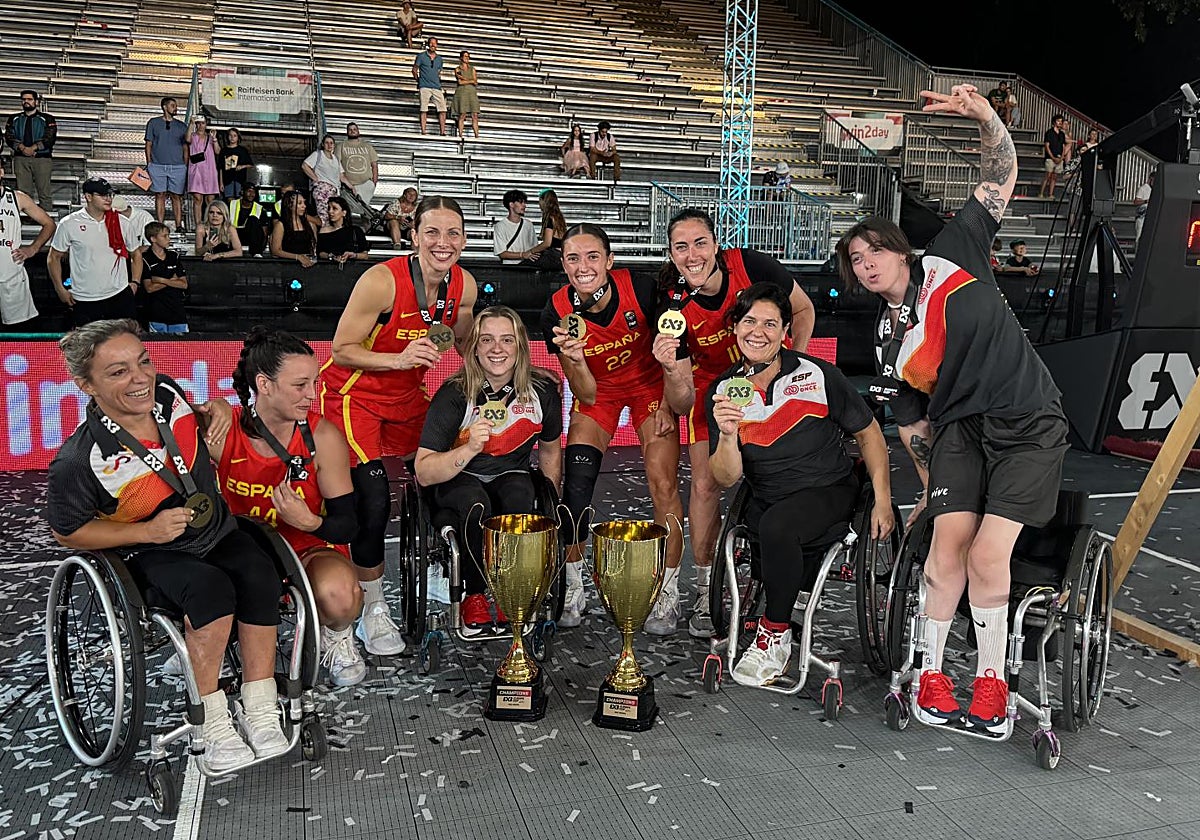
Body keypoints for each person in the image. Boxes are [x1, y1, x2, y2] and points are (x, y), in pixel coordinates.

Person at [836, 83, 1068, 734]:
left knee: (989, 558)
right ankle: (932, 676)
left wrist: (987, 117)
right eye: (856, 260)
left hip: (1027, 420)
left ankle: (992, 685)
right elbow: (912, 423)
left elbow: (1002, 172)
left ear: (899, 250)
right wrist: (932, 489)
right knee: (946, 547)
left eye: (875, 249)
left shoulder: (952, 253)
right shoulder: (887, 341)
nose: (867, 261)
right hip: (960, 433)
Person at [45, 319, 289, 772]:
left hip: (213, 532)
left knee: (261, 575)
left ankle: (259, 707)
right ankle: (210, 721)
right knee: (210, 593)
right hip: (152, 553)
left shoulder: (166, 394)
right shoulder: (80, 461)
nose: (140, 378)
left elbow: (186, 421)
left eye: (143, 362)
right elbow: (68, 533)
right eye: (118, 372)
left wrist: (211, 408)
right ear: (85, 384)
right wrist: (146, 532)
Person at [706, 283, 893, 686]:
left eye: (770, 323)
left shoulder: (817, 374)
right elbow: (725, 478)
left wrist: (882, 500)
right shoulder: (723, 391)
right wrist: (726, 434)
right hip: (766, 495)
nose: (758, 331)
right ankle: (782, 601)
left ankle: (776, 634)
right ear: (734, 327)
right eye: (749, 321)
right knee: (770, 521)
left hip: (827, 489)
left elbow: (870, 435)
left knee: (778, 525)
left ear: (785, 330)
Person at [320, 196, 478, 656]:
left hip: (406, 397)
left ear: (464, 240)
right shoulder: (381, 282)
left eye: (453, 233)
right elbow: (341, 349)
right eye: (432, 232)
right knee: (372, 495)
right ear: (414, 236)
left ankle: (434, 564)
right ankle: (372, 611)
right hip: (354, 395)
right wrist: (399, 358)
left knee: (443, 469)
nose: (442, 242)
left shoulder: (463, 287)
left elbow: (467, 344)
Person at [655, 208, 815, 636]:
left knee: (789, 473)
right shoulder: (670, 298)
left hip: (767, 377)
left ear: (716, 244)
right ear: (670, 253)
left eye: (700, 243)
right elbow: (683, 393)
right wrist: (670, 373)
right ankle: (707, 591)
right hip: (713, 390)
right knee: (706, 483)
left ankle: (792, 578)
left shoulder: (753, 265)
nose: (692, 255)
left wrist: (788, 366)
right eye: (680, 246)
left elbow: (802, 309)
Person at [540, 223, 687, 633]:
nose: (583, 266)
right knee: (577, 487)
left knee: (663, 484)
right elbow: (584, 392)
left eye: (591, 257)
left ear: (609, 260)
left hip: (649, 388)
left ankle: (668, 591)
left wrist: (667, 401)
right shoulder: (556, 311)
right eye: (572, 258)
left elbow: (670, 346)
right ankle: (573, 588)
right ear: (563, 264)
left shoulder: (640, 289)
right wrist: (574, 358)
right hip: (598, 394)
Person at [214, 328, 366, 686]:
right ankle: (210, 643)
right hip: (241, 549)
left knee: (340, 594)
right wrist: (215, 406)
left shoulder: (323, 437)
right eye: (300, 385)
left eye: (314, 382)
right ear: (264, 385)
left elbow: (347, 525)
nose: (312, 395)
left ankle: (337, 636)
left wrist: (310, 521)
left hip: (305, 547)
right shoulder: (222, 432)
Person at [415, 306, 563, 629]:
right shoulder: (454, 395)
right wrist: (468, 448)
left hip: (510, 474)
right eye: (487, 340)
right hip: (458, 479)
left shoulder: (542, 394)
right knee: (474, 502)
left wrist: (552, 508)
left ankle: (513, 589)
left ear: (521, 346)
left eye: (507, 340)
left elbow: (551, 453)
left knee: (521, 493)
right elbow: (424, 471)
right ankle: (475, 595)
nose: (497, 349)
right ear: (474, 347)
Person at [47, 178, 144, 326]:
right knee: (87, 346)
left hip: (119, 295)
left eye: (110, 195)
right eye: (103, 195)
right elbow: (53, 257)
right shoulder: (69, 223)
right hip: (84, 299)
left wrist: (135, 282)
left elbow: (136, 253)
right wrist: (60, 289)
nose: (108, 199)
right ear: (88, 197)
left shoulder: (122, 222)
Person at [0, 157, 54, 327]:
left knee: (15, 338)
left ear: (1, 172)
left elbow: (49, 224)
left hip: (11, 276)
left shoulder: (17, 198)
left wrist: (33, 248)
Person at [4, 90, 57, 213]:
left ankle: (46, 220)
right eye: (24, 99)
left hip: (42, 158)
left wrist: (33, 148)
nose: (26, 102)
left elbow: (50, 137)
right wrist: (23, 148)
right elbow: (9, 137)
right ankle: (25, 219)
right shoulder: (14, 118)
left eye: (29, 99)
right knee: (23, 192)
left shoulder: (47, 118)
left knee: (44, 192)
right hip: (20, 159)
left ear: (36, 102)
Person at [144, 97, 187, 229]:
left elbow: (186, 146)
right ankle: (160, 223)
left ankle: (179, 224)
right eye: (173, 105)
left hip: (178, 166)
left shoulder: (181, 126)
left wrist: (185, 164)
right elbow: (148, 144)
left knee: (176, 196)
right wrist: (149, 163)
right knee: (160, 194)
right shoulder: (153, 123)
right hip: (157, 165)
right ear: (164, 107)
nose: (176, 108)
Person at [141, 222, 189, 334]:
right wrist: (172, 281)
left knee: (181, 349)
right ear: (153, 239)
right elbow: (149, 288)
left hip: (177, 311)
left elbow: (183, 284)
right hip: (156, 313)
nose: (168, 239)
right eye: (164, 236)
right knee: (158, 349)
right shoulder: (145, 259)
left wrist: (161, 280)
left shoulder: (174, 256)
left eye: (169, 235)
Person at [303, 134, 353, 226]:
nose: (329, 145)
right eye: (327, 143)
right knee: (324, 218)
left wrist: (351, 187)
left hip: (334, 191)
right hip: (323, 190)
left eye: (331, 143)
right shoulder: (318, 155)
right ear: (323, 144)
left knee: (332, 218)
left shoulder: (336, 159)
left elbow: (341, 176)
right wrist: (316, 179)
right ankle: (303, 218)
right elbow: (305, 165)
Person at [186, 115, 221, 233]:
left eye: (203, 123)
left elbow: (217, 151)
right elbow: (187, 139)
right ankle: (198, 225)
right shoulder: (193, 136)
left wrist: (215, 139)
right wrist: (191, 124)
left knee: (210, 199)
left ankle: (211, 224)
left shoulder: (210, 137)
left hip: (209, 170)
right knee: (197, 198)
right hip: (196, 169)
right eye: (198, 123)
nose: (200, 126)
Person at [270, 190, 318, 268]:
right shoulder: (281, 225)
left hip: (308, 266)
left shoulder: (310, 224)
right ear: (290, 205)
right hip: (289, 267)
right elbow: (275, 251)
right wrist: (298, 257)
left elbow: (314, 247)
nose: (304, 206)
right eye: (300, 203)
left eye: (304, 202)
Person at [337, 122, 380, 206]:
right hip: (348, 186)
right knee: (347, 210)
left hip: (366, 184)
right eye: (350, 130)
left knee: (365, 211)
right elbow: (336, 164)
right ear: (347, 132)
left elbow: (374, 166)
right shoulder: (340, 146)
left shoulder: (367, 147)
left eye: (354, 129)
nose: (352, 131)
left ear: (358, 131)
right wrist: (344, 182)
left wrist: (373, 183)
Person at [317, 196, 370, 264]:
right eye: (329, 208)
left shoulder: (356, 231)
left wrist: (353, 255)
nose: (330, 211)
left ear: (344, 213)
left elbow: (365, 255)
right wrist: (331, 256)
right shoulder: (323, 231)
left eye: (334, 209)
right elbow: (320, 253)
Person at [492, 189, 539, 265]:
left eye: (524, 202)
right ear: (511, 204)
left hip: (528, 266)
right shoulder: (500, 226)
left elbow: (535, 247)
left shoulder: (528, 224)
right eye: (521, 202)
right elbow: (502, 253)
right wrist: (523, 255)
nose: (524, 205)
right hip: (510, 268)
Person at [413, 38, 447, 136]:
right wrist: (419, 81)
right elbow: (414, 70)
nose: (433, 45)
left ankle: (442, 132)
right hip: (424, 86)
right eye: (431, 43)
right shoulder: (421, 56)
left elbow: (438, 72)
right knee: (424, 109)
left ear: (437, 45)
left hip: (436, 86)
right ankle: (423, 131)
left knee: (443, 109)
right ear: (428, 44)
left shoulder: (440, 59)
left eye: (434, 43)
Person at [528, 189, 566, 268]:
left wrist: (531, 251)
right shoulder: (559, 217)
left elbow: (547, 243)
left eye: (539, 201)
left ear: (543, 201)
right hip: (560, 255)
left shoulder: (549, 218)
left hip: (552, 256)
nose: (539, 204)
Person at [230, 183, 266, 256]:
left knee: (253, 219)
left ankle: (256, 253)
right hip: (233, 235)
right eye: (249, 191)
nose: (251, 194)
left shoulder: (260, 208)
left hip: (250, 237)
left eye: (253, 192)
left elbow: (264, 232)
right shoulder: (232, 204)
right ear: (243, 192)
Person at [219, 127, 254, 200]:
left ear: (238, 137)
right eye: (230, 135)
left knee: (239, 199)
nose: (232, 138)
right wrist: (221, 183)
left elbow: (250, 164)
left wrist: (242, 166)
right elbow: (221, 168)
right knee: (229, 200)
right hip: (227, 180)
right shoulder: (224, 150)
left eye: (234, 135)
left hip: (239, 180)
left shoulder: (242, 150)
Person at [453, 51, 481, 139]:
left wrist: (466, 80)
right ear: (461, 58)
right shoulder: (458, 69)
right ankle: (460, 135)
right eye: (465, 56)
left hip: (472, 92)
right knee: (462, 114)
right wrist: (470, 80)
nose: (467, 58)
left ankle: (477, 135)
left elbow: (475, 82)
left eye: (468, 56)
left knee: (475, 115)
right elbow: (460, 82)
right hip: (462, 93)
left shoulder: (472, 69)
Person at [1039, 114, 1067, 199]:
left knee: (1055, 177)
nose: (1060, 123)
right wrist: (1053, 157)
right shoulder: (1049, 133)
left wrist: (1062, 157)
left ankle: (1051, 194)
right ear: (1054, 122)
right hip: (1050, 158)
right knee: (1048, 175)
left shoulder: (1062, 134)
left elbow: (1063, 146)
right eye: (1058, 121)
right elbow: (1047, 146)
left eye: (1061, 122)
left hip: (1059, 158)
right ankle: (1041, 193)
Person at [1134, 171, 1155, 249]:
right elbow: (1136, 202)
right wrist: (1146, 201)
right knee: (1139, 236)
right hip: (1141, 217)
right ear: (1150, 179)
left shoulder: (1155, 189)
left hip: (1150, 216)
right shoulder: (1143, 188)